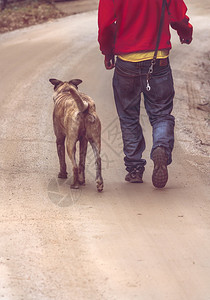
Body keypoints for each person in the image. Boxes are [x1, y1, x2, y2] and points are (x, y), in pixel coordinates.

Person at [98, 0, 193, 188]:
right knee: (161, 114)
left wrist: (108, 51)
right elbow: (178, 16)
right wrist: (185, 33)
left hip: (126, 62)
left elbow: (106, 24)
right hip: (158, 61)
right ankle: (161, 148)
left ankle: (134, 168)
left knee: (128, 116)